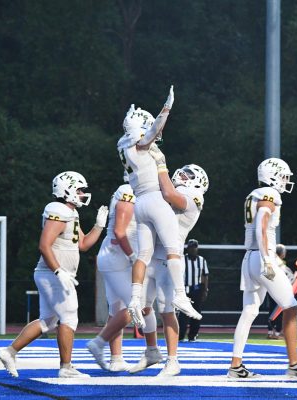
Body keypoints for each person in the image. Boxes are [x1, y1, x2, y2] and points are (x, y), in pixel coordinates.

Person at [0, 171, 108, 378]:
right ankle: (66, 367)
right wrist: (58, 271)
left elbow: (83, 245)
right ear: (67, 190)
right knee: (69, 318)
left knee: (47, 321)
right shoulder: (58, 210)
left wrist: (99, 226)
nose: (83, 193)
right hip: (53, 274)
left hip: (55, 274)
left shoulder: (70, 213)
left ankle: (9, 352)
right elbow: (44, 245)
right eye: (79, 189)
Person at [228, 158, 297, 379]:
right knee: (291, 307)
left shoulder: (254, 194)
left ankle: (235, 365)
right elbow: (261, 222)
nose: (286, 180)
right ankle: (294, 364)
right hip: (262, 258)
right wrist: (268, 260)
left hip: (249, 258)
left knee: (250, 311)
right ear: (273, 175)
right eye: (283, 176)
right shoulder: (270, 194)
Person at [116, 86, 200, 328]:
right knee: (174, 249)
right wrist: (166, 108)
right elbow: (152, 132)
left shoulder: (123, 145)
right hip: (154, 199)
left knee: (143, 255)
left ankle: (134, 300)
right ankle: (181, 296)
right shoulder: (139, 143)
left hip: (139, 203)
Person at [130, 161, 209, 377]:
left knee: (166, 311)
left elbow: (170, 195)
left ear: (198, 181)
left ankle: (173, 360)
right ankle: (151, 351)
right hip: (150, 259)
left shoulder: (194, 197)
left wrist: (160, 167)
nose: (182, 174)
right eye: (183, 171)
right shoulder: (170, 191)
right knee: (144, 308)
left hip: (168, 261)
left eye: (188, 174)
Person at [86, 172, 137, 372]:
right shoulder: (128, 191)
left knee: (117, 310)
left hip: (115, 255)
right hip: (119, 256)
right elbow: (120, 231)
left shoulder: (130, 191)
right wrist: (133, 256)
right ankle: (99, 343)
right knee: (136, 306)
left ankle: (116, 358)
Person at [178, 239, 210, 342]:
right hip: (185, 289)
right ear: (187, 248)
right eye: (191, 247)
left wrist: (205, 290)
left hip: (197, 289)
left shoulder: (201, 260)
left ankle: (193, 335)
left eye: (194, 247)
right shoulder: (182, 259)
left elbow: (205, 276)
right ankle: (181, 335)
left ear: (197, 248)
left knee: (196, 313)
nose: (193, 249)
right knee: (183, 314)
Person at [267, 244, 294, 340]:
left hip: (271, 289)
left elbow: (269, 275)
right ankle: (277, 333)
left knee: (272, 310)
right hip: (279, 290)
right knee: (279, 311)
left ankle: (270, 332)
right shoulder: (280, 263)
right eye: (284, 251)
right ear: (281, 253)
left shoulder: (272, 261)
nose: (285, 253)